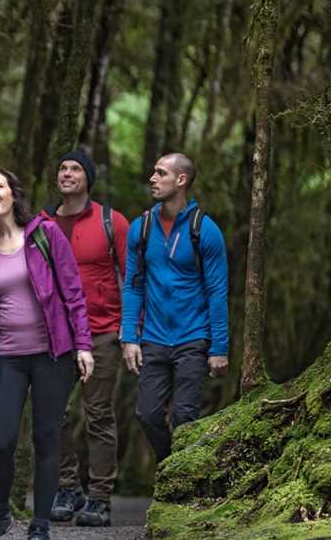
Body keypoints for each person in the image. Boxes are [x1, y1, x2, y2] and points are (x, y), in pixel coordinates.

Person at [0, 168, 94, 540]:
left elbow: (72, 292)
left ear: (12, 194)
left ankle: (40, 525)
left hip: (51, 355)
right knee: (2, 439)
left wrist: (84, 344)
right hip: (6, 357)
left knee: (46, 438)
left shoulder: (44, 233)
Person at [121, 153, 229, 463]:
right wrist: (130, 336)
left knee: (185, 416)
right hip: (153, 338)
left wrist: (219, 347)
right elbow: (133, 286)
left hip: (192, 339)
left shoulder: (205, 231)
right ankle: (172, 466)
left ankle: (180, 485)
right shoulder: (140, 229)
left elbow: (217, 292)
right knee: (147, 413)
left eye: (160, 173)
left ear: (180, 180)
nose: (152, 179)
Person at [42, 150, 129, 527]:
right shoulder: (41, 224)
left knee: (98, 415)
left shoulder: (113, 222)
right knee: (52, 414)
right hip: (54, 335)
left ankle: (100, 496)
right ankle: (66, 486)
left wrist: (130, 330)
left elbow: (133, 276)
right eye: (62, 168)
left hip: (103, 332)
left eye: (75, 168)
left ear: (87, 178)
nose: (67, 173)